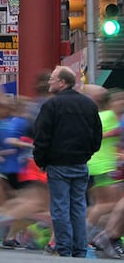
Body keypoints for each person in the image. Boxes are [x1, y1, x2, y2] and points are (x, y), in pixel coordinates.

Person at [33, 65, 102, 258]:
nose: (49, 82)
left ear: (62, 82)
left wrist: (41, 160)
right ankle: (80, 248)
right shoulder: (89, 105)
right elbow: (97, 136)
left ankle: (64, 248)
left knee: (60, 207)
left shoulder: (51, 105)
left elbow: (41, 136)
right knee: (79, 207)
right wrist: (86, 155)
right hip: (80, 163)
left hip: (57, 164)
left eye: (52, 79)